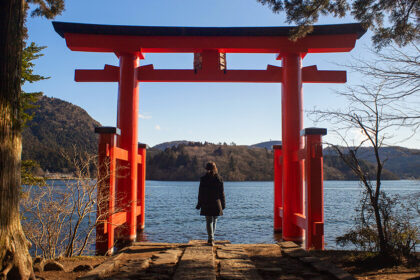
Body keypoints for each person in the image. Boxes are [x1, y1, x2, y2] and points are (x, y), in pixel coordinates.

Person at [196, 161, 225, 246]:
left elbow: (200, 193)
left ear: (206, 169)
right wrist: (223, 204)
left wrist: (199, 204)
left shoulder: (203, 179)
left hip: (206, 202)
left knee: (209, 221)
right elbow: (221, 193)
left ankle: (210, 239)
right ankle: (212, 238)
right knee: (214, 220)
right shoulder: (219, 178)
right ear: (215, 168)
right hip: (216, 202)